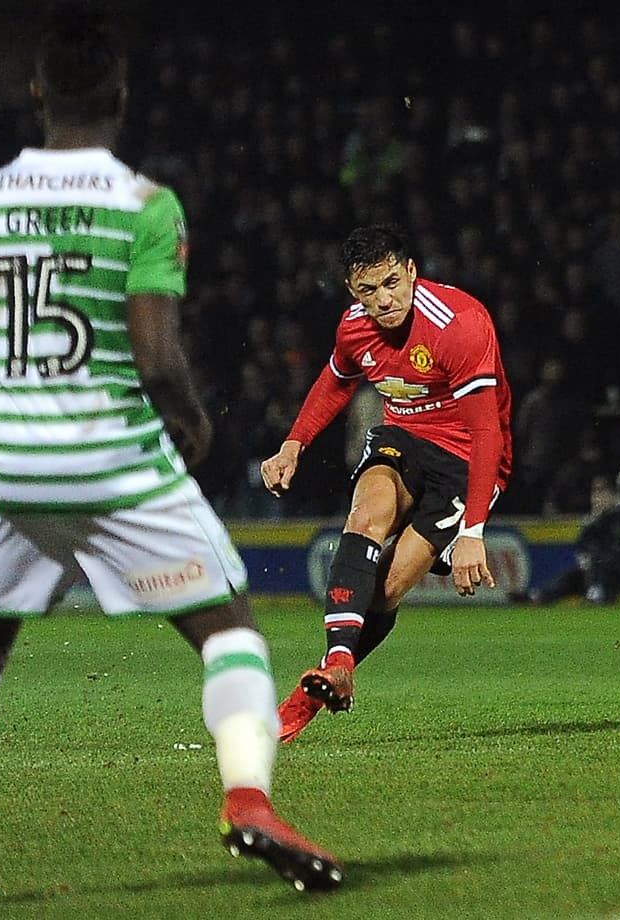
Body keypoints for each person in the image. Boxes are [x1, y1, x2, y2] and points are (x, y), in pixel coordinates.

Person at [0, 7, 342, 908]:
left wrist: (22, 393)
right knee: (227, 628)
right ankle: (248, 800)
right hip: (115, 459)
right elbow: (154, 355)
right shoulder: (145, 204)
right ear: (120, 96)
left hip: (6, 467)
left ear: (37, 93)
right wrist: (192, 416)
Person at [260, 223, 512, 742]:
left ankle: (329, 673)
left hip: (465, 457)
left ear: (412, 271)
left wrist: (473, 532)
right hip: (403, 437)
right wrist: (294, 443)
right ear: (352, 291)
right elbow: (336, 379)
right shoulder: (355, 327)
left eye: (392, 283)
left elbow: (487, 432)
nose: (384, 300)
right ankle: (336, 667)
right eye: (368, 290)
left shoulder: (458, 324)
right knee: (365, 514)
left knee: (389, 587)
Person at [518, 474, 620, 605]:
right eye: (595, 492)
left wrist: (596, 559)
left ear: (613, 495)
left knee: (603, 568)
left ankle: (599, 597)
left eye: (602, 491)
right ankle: (538, 596)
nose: (597, 497)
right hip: (594, 571)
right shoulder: (593, 522)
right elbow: (582, 546)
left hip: (619, 573)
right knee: (571, 577)